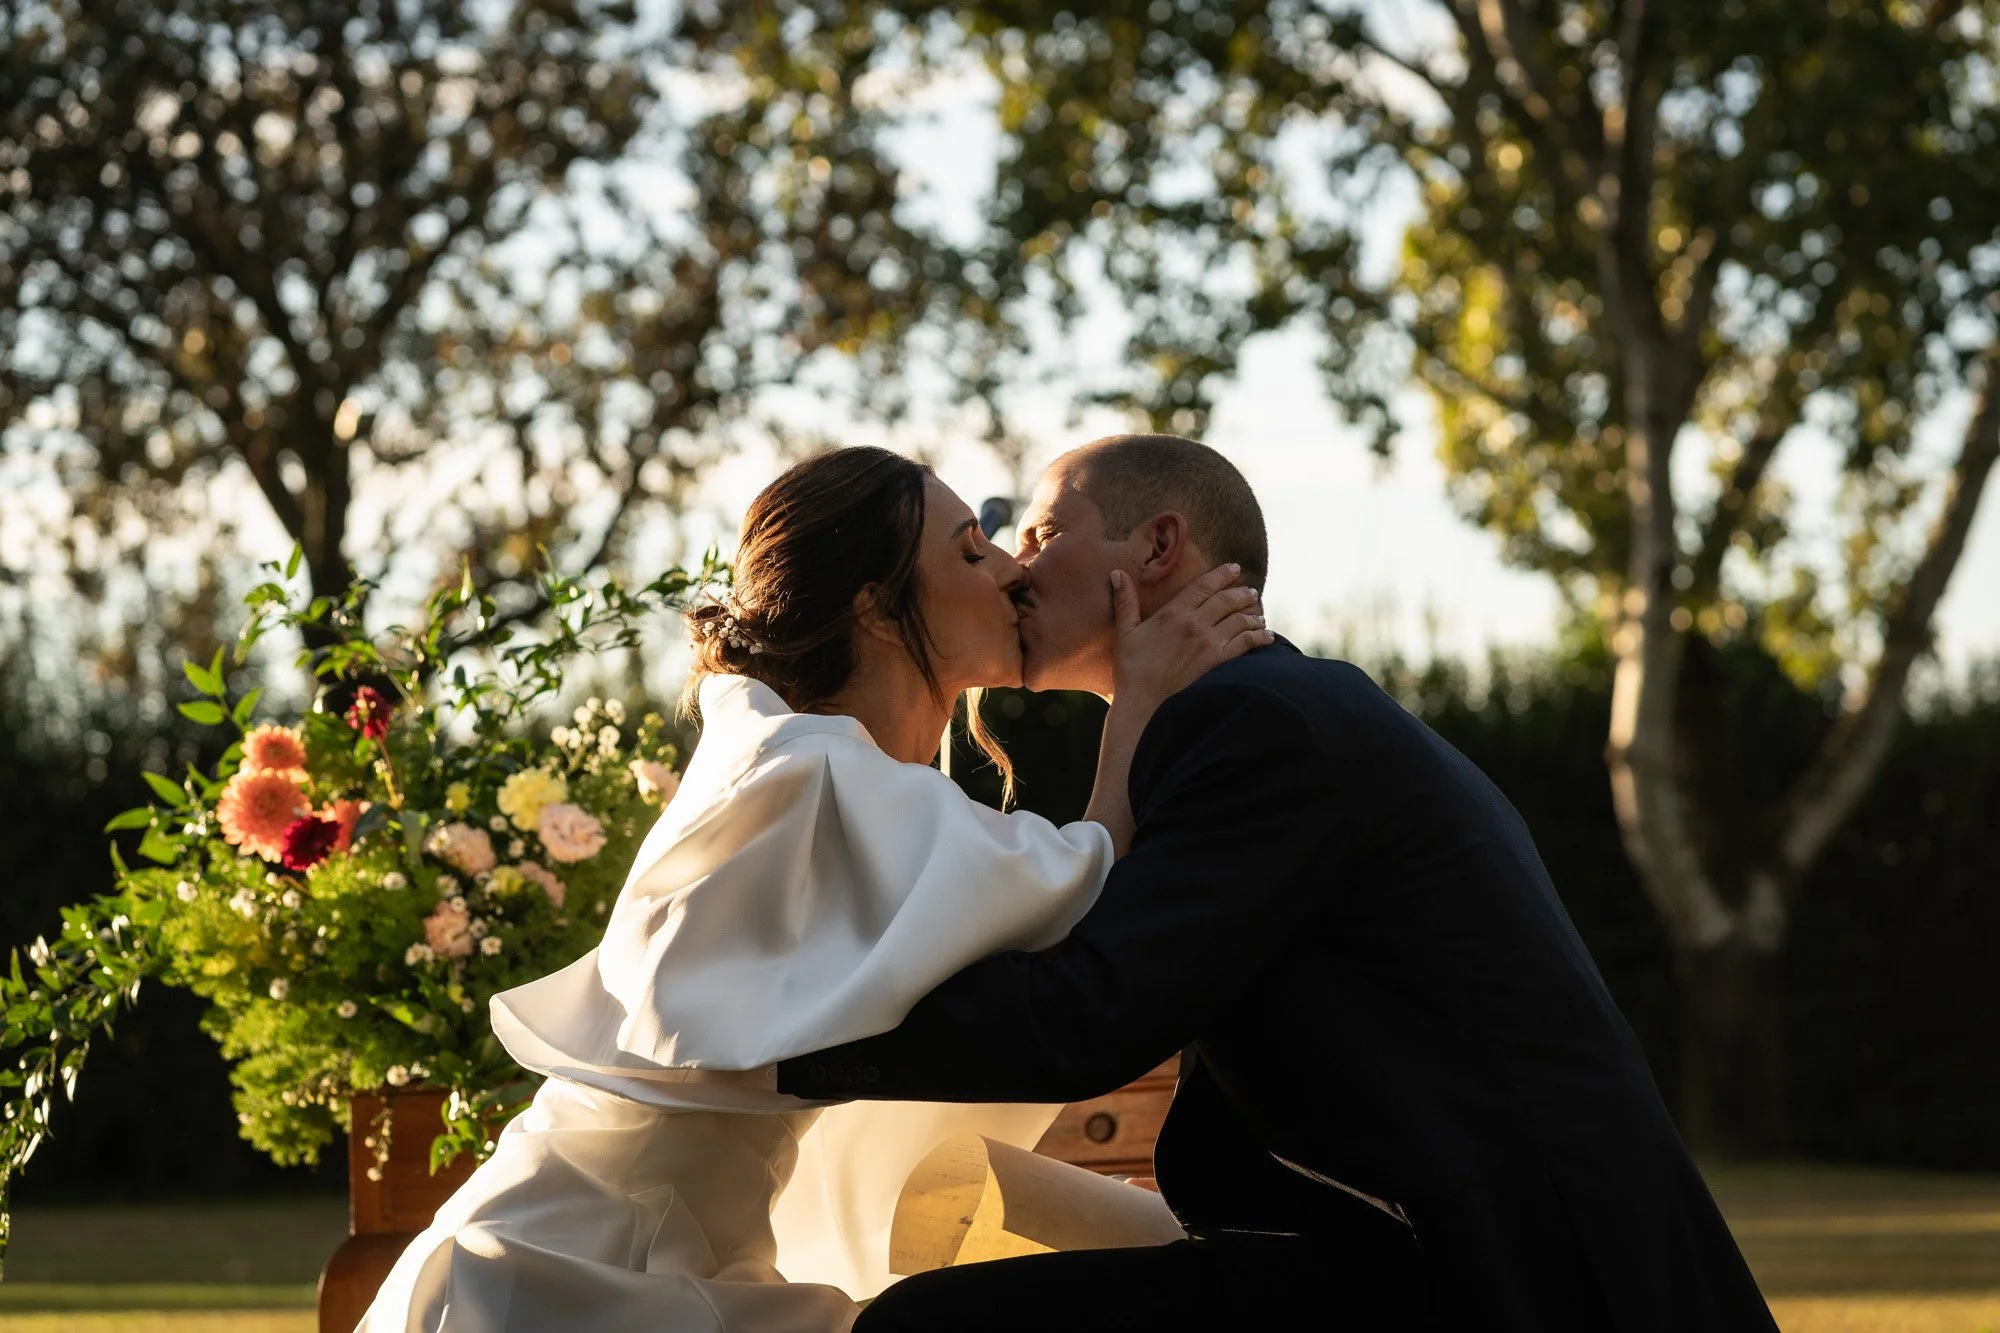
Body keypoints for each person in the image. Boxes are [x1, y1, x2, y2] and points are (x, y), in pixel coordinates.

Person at [778, 433, 1781, 1333]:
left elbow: (1090, 1013)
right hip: (1434, 1248)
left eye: (1040, 533)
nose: (1013, 568)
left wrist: (784, 1035)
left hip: (1511, 1275)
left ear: (1157, 547)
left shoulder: (1257, 724)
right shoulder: (1264, 707)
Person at [356, 445, 1269, 1332]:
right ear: (877, 608)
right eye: (969, 551)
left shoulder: (808, 767)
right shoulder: (808, 772)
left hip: (634, 1257)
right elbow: (1085, 892)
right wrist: (1141, 703)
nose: (1009, 571)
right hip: (576, 1276)